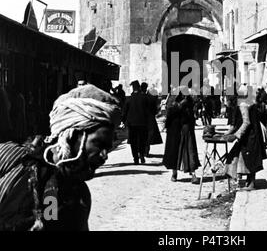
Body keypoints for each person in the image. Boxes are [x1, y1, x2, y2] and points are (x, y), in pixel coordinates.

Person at [0, 84, 121, 230]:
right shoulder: (11, 158)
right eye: (98, 144)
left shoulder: (79, 197)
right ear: (71, 135)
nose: (104, 156)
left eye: (107, 148)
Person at [223, 86, 267, 191]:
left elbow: (246, 122)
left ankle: (251, 183)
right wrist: (226, 134)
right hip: (247, 135)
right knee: (241, 157)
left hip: (251, 135)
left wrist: (235, 135)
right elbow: (235, 125)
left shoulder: (243, 105)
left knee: (249, 158)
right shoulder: (239, 105)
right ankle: (246, 181)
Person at [163, 87, 200, 183]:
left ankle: (193, 173)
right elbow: (169, 111)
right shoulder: (172, 97)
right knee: (174, 150)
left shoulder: (188, 98)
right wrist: (179, 105)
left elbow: (192, 112)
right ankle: (174, 173)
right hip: (174, 128)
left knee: (189, 149)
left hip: (185, 126)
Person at [122, 81, 148, 165]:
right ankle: (142, 154)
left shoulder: (129, 99)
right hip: (143, 123)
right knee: (142, 140)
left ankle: (135, 158)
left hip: (132, 124)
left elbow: (124, 112)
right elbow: (150, 110)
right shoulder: (145, 98)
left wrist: (123, 121)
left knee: (133, 142)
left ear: (133, 88)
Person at [141, 82, 163, 157]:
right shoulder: (151, 98)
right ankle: (146, 151)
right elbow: (155, 111)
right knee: (148, 136)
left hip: (141, 120)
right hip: (150, 119)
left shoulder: (138, 97)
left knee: (142, 135)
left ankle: (142, 151)